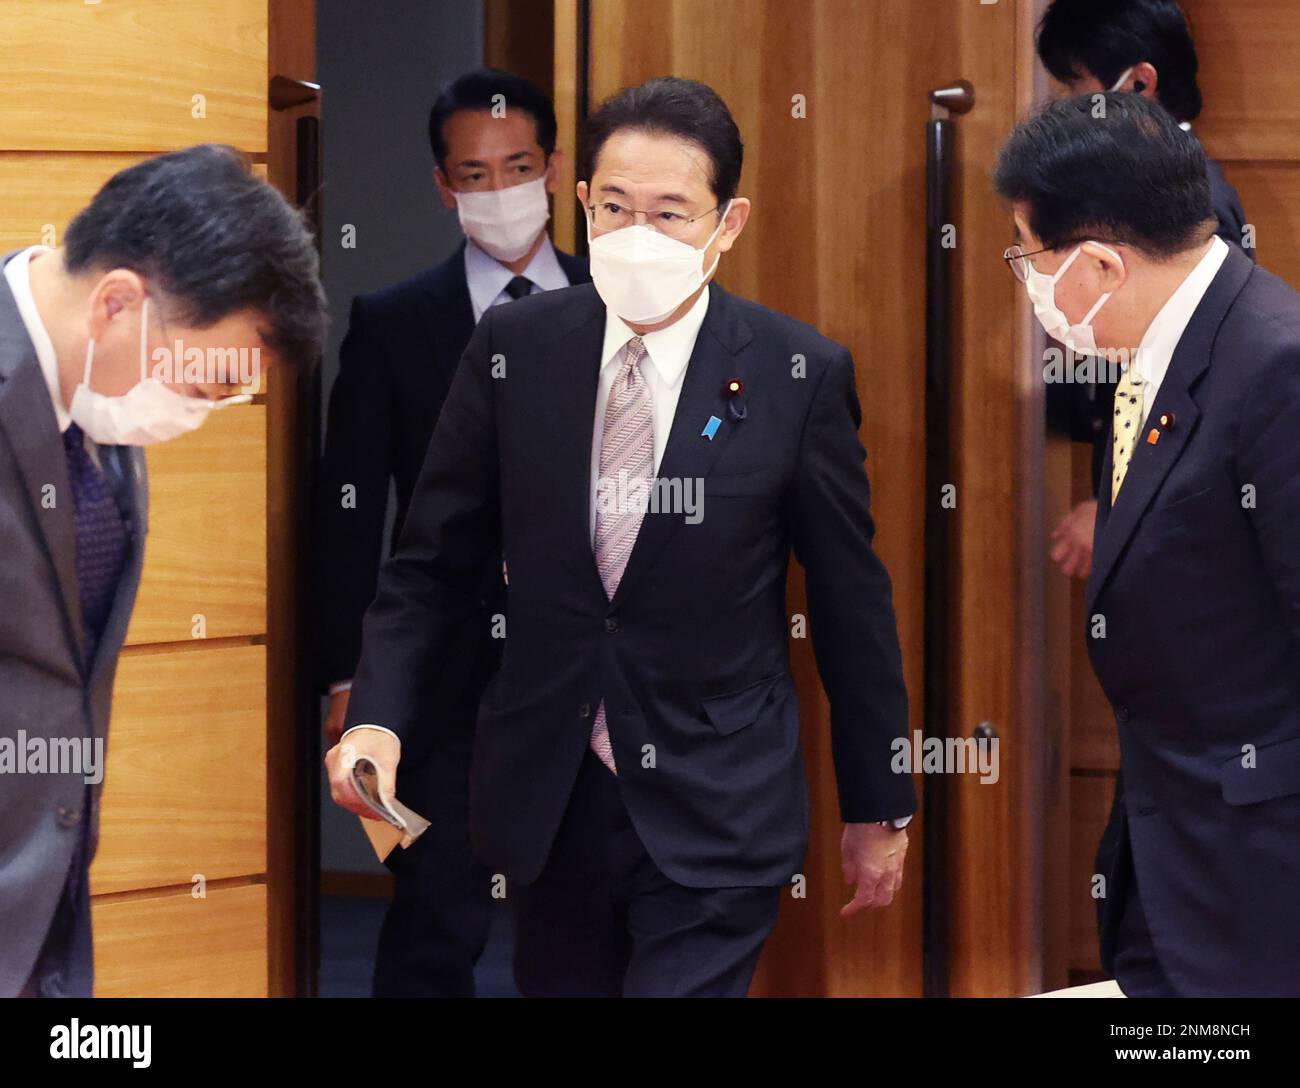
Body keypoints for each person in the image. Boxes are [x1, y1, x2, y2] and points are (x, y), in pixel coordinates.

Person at [326, 76, 915, 998]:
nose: (637, 236)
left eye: (671, 213)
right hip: (549, 795)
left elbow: (850, 604)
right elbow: (431, 563)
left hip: (715, 801)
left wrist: (880, 803)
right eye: (614, 208)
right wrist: (377, 716)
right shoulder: (517, 350)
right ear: (582, 202)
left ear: (730, 222)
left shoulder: (795, 374)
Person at [0, 145, 326, 998]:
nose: (196, 417)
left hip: (42, 919)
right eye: (204, 385)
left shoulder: (101, 416)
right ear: (117, 302)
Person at [997, 93, 1300, 996]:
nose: (1027, 281)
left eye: (1028, 256)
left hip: (1261, 885)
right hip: (1167, 860)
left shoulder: (1276, 365)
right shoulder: (1158, 354)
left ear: (1097, 263)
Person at [315, 68, 589, 997]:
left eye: (517, 165)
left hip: (588, 666)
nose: (500, 189)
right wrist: (352, 681)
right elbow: (350, 510)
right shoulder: (393, 325)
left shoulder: (622, 302)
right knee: (435, 909)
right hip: (438, 675)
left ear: (553, 167)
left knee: (585, 911)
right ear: (444, 186)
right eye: (474, 173)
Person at [1036, 0, 1255, 580]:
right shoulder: (1156, 190)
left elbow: (1200, 387)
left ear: (1138, 83)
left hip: (1181, 535)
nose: (1066, 107)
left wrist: (1115, 510)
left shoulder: (1192, 205)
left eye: (1076, 86)